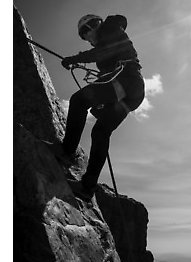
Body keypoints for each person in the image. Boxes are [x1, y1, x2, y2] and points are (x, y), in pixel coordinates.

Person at [54, 13, 145, 201]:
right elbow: (105, 62)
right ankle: (87, 187)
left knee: (79, 100)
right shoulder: (110, 38)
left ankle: (67, 151)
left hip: (126, 82)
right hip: (132, 92)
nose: (88, 35)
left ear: (97, 25)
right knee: (101, 132)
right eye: (83, 34)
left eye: (88, 29)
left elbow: (102, 52)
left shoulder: (111, 29)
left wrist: (73, 59)